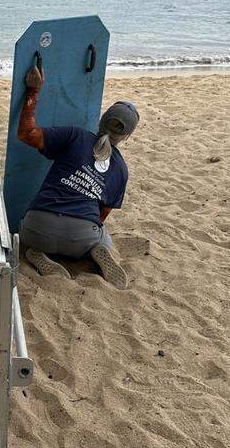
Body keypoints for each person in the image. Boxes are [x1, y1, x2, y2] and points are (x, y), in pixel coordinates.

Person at [15, 61, 139, 288]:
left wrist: (33, 90)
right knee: (102, 235)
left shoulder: (75, 135)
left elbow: (26, 134)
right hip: (80, 238)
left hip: (35, 227)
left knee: (33, 233)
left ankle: (37, 251)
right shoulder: (121, 169)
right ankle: (93, 250)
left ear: (101, 120)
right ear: (126, 136)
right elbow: (102, 215)